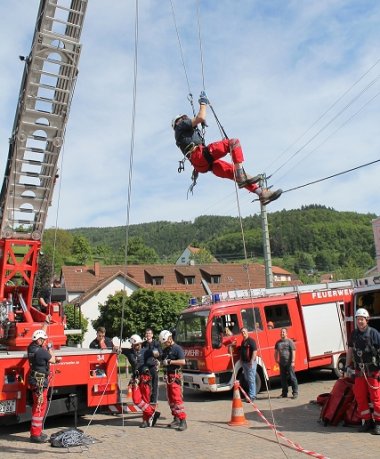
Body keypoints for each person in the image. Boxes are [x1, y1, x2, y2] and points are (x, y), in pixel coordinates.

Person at [172, 91, 282, 205]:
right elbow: (201, 116)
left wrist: (200, 124)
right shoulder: (180, 126)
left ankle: (261, 193)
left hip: (203, 164)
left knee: (232, 172)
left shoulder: (183, 135)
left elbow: (199, 123)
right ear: (178, 122)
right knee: (233, 143)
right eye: (184, 118)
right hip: (200, 156)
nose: (187, 119)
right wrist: (203, 102)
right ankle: (241, 175)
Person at [345, 308, 380, 435]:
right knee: (360, 397)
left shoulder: (374, 334)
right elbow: (350, 350)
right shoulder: (353, 334)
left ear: (367, 320)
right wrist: (347, 366)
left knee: (376, 398)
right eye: (358, 319)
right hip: (359, 371)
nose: (359, 321)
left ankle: (378, 423)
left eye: (362, 319)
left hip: (373, 371)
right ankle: (367, 421)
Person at [28, 325, 61, 443]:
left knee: (36, 405)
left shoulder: (31, 348)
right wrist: (50, 347)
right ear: (39, 340)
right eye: (43, 340)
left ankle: (35, 432)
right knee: (40, 407)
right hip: (40, 383)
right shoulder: (42, 351)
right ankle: (36, 435)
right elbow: (53, 359)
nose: (44, 341)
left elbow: (40, 334)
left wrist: (45, 325)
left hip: (34, 381)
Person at [123, 334, 160, 428]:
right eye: (135, 345)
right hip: (136, 379)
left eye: (139, 344)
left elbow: (157, 353)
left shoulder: (146, 351)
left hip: (145, 378)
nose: (138, 346)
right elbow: (119, 349)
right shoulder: (129, 352)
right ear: (132, 345)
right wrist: (116, 348)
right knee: (136, 399)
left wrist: (156, 353)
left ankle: (145, 420)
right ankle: (152, 413)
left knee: (145, 400)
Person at [159, 330, 187, 431]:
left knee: (177, 399)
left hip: (175, 376)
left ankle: (183, 421)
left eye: (165, 342)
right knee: (170, 399)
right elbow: (162, 361)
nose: (164, 344)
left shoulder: (177, 348)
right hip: (168, 376)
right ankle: (176, 418)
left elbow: (183, 361)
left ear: (170, 339)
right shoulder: (166, 350)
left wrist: (171, 361)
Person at [274, 328, 298, 399]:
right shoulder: (278, 342)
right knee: (283, 378)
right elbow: (276, 351)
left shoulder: (290, 341)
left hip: (289, 363)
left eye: (283, 332)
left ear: (286, 333)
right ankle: (284, 393)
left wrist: (293, 361)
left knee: (292, 378)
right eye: (281, 332)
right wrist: (276, 359)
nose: (282, 333)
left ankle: (295, 393)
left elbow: (293, 351)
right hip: (282, 363)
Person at [142, 328, 161, 405]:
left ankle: (154, 401)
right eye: (147, 333)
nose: (148, 335)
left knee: (154, 385)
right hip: (145, 367)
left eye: (149, 333)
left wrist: (157, 356)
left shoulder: (156, 343)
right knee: (146, 384)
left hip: (153, 366)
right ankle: (147, 400)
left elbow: (160, 354)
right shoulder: (143, 344)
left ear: (152, 335)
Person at [239, 327, 258, 402]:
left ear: (247, 332)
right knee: (247, 379)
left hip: (250, 363)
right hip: (244, 363)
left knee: (251, 380)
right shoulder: (243, 341)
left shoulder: (251, 341)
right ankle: (251, 394)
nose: (243, 333)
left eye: (244, 331)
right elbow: (242, 351)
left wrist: (251, 361)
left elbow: (254, 351)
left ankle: (252, 396)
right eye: (242, 332)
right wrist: (241, 359)